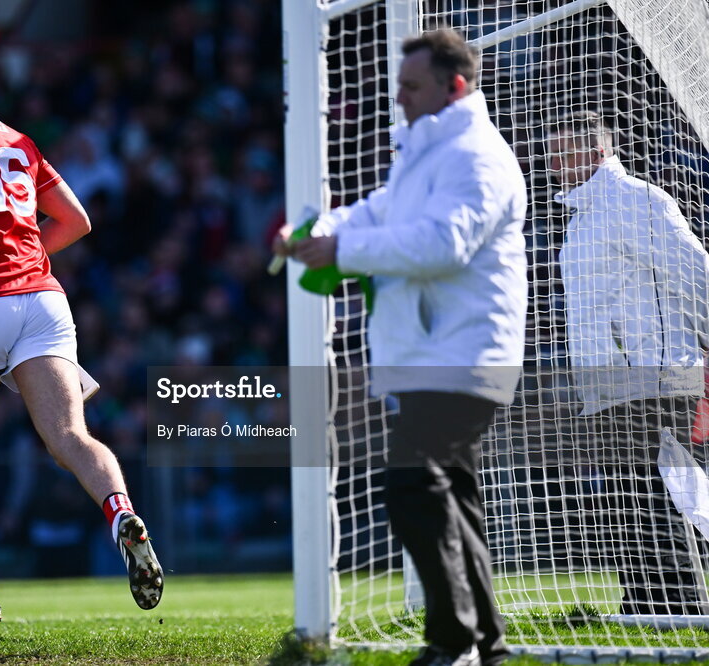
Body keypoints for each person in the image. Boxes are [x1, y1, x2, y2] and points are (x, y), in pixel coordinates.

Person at [275, 29, 526, 666]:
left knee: (414, 484)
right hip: (433, 351)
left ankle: (453, 641)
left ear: (455, 86)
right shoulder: (427, 152)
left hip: (463, 350)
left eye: (411, 88)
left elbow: (446, 244)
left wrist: (344, 251)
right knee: (451, 494)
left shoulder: (476, 155)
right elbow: (375, 213)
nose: (401, 100)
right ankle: (485, 644)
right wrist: (316, 232)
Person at [0, 45, 163, 637]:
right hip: (44, 298)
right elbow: (76, 222)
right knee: (70, 434)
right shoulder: (19, 138)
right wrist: (15, 257)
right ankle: (122, 513)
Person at [548, 110, 709, 615]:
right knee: (627, 494)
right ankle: (642, 599)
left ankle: (678, 604)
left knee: (665, 490)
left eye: (564, 151)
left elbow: (694, 272)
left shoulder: (635, 199)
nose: (553, 163)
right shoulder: (581, 216)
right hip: (609, 382)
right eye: (550, 152)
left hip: (657, 372)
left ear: (598, 150)